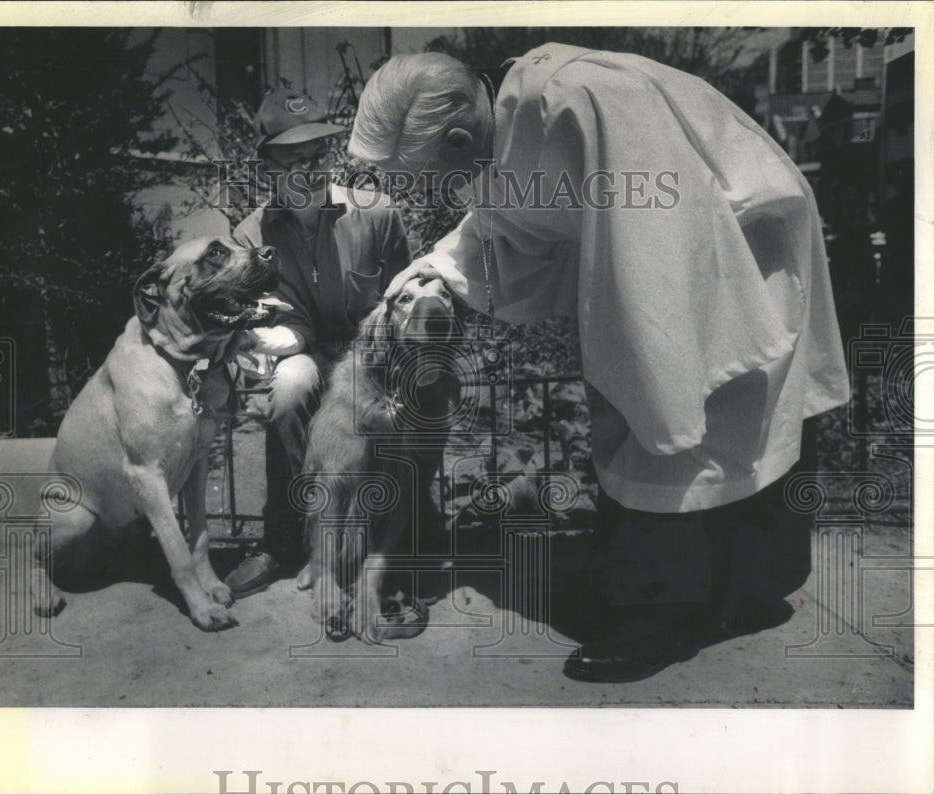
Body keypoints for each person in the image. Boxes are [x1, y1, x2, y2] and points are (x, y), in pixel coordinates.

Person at [348, 45, 850, 681]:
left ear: (454, 137)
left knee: (678, 418)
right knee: (665, 419)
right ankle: (726, 595)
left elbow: (656, 240)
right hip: (654, 253)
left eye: (425, 176)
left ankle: (659, 618)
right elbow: (508, 224)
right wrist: (436, 270)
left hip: (725, 248)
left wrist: (648, 369)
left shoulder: (579, 102)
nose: (429, 191)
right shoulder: (496, 122)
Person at [224, 89, 412, 598]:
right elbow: (267, 321)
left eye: (317, 156)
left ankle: (384, 543)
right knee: (288, 391)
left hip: (373, 355)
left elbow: (405, 303)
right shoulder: (251, 236)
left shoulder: (376, 214)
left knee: (399, 407)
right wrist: (260, 343)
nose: (309, 170)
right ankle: (291, 540)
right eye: (294, 160)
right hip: (303, 351)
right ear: (268, 166)